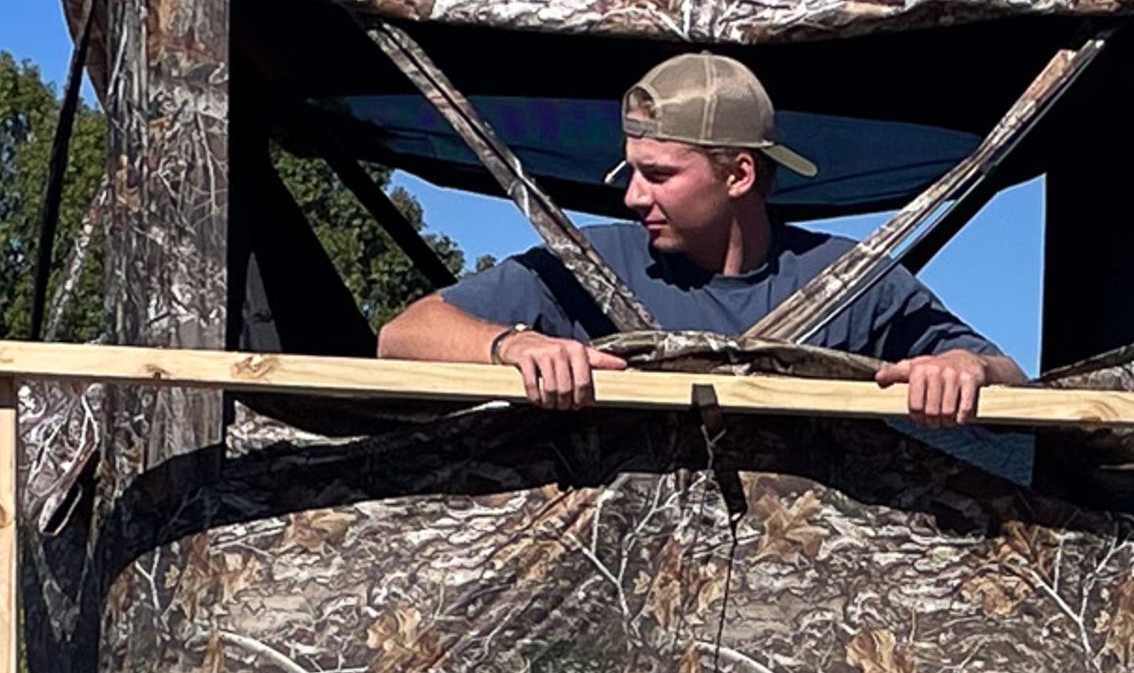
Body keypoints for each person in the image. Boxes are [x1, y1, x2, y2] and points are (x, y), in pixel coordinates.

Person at [377, 53, 1025, 423]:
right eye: (628, 172)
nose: (632, 196)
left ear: (738, 174)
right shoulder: (585, 266)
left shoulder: (857, 283)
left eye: (658, 175)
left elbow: (1009, 377)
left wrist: (965, 371)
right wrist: (512, 347)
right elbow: (402, 336)